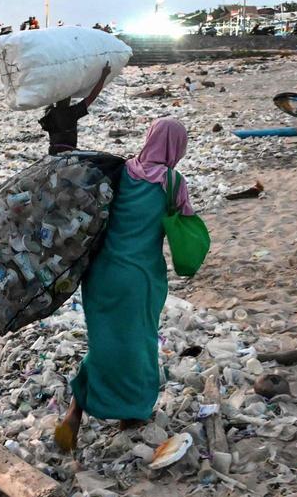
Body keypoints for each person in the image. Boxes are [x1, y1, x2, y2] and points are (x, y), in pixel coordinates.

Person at [55, 117, 197, 451]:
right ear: (176, 146)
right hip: (139, 277)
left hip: (101, 274)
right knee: (137, 343)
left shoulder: (120, 172)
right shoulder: (172, 182)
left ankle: (74, 413)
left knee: (105, 343)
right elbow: (187, 224)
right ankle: (131, 414)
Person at [39, 62, 110, 154]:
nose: (69, 98)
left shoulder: (50, 113)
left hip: (53, 151)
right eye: (68, 96)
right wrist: (103, 76)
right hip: (68, 153)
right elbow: (92, 96)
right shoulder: (72, 112)